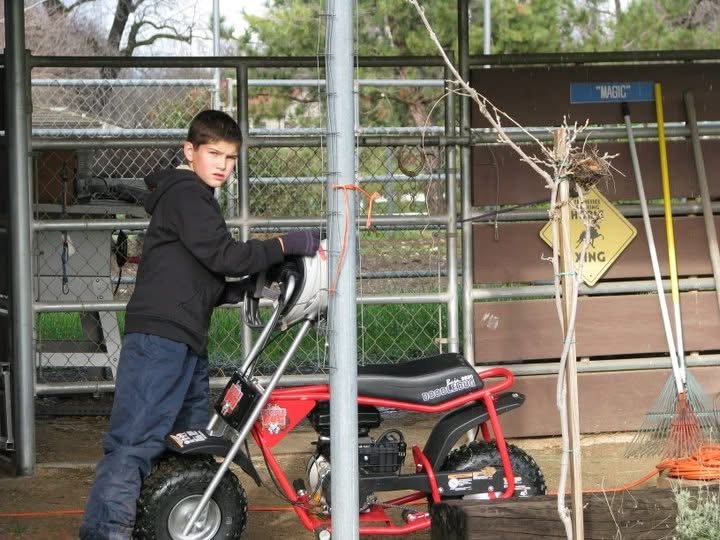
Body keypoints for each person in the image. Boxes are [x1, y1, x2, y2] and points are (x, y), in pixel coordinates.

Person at [79, 109, 319, 539]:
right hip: (160, 338)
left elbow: (198, 274)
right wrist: (283, 245)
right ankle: (106, 532)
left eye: (231, 158)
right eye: (214, 154)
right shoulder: (187, 194)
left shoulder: (195, 198)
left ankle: (169, 518)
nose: (223, 166)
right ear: (190, 151)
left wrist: (243, 288)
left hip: (184, 337)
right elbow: (223, 256)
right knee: (135, 441)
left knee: (188, 440)